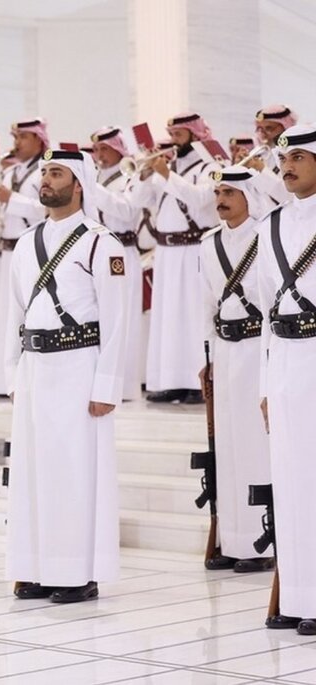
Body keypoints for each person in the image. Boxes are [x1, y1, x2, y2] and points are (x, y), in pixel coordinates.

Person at [4, 150, 128, 603]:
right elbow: (13, 313)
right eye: (44, 173)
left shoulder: (101, 242)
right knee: (33, 472)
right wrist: (12, 374)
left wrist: (107, 385)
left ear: (78, 184)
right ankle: (36, 567)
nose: (47, 180)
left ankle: (76, 574)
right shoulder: (25, 242)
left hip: (79, 368)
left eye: (56, 173)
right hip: (35, 366)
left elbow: (116, 321)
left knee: (74, 473)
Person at [198, 166, 273, 573]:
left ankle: (262, 544)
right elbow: (206, 305)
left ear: (250, 196)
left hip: (256, 349)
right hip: (224, 352)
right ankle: (232, 539)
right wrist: (206, 358)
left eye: (230, 191)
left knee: (255, 442)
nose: (221, 199)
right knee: (226, 447)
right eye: (218, 191)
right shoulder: (209, 244)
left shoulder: (266, 237)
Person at [258, 124, 316, 635]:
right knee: (294, 483)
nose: (288, 167)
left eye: (298, 156)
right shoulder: (270, 224)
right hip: (286, 363)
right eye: (283, 160)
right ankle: (299, 597)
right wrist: (264, 382)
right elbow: (265, 312)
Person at [131, 112, 219, 404]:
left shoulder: (210, 166)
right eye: (171, 134)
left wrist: (167, 175)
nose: (172, 140)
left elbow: (202, 199)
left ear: (195, 135)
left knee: (195, 315)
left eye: (179, 134)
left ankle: (197, 381)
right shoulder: (166, 167)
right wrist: (145, 176)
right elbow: (138, 202)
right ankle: (169, 380)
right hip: (167, 253)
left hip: (194, 247)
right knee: (168, 316)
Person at [0, 118, 48, 397]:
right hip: (6, 251)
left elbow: (45, 210)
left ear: (38, 139)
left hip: (32, 252)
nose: (17, 142)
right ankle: (4, 381)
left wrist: (11, 199)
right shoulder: (11, 172)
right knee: (5, 317)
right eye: (15, 136)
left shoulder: (44, 172)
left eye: (23, 136)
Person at [90, 126, 146, 401]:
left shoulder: (131, 176)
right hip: (95, 250)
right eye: (96, 150)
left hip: (122, 250)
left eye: (104, 149)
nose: (100, 155)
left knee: (123, 318)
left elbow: (127, 211)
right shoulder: (96, 177)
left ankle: (124, 386)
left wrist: (93, 187)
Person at [248, 105, 297, 206]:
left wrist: (262, 170)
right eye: (260, 129)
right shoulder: (259, 153)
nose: (263, 134)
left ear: (285, 127)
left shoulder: (296, 155)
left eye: (269, 128)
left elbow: (290, 196)